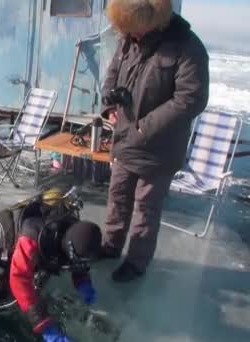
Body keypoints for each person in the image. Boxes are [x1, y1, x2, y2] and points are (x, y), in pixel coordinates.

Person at [99, 0, 209, 282]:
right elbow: (113, 72)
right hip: (125, 139)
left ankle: (136, 263)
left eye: (134, 32)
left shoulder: (188, 46)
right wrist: (108, 104)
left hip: (160, 147)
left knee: (146, 208)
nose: (129, 37)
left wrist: (143, 127)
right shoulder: (129, 37)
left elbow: (190, 99)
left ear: (153, 21)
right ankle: (110, 246)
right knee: (118, 196)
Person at [0, 188, 102, 342]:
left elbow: (77, 258)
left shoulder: (74, 230)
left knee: (2, 291)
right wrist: (45, 326)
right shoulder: (32, 237)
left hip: (25, 256)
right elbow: (19, 280)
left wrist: (83, 282)